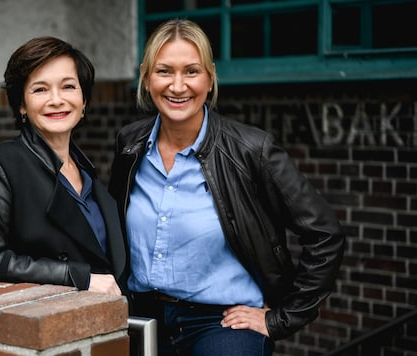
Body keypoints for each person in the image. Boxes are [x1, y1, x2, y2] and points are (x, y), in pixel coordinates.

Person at [108, 19, 345, 355]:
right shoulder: (130, 144)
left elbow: (325, 234)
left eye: (191, 71)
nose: (177, 86)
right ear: (146, 77)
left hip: (222, 324)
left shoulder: (251, 150)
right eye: (164, 71)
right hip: (142, 316)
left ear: (210, 77)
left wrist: (282, 318)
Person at [0, 36, 127, 296]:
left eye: (68, 87)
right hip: (46, 325)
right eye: (40, 89)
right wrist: (78, 277)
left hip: (106, 319)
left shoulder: (86, 170)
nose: (56, 100)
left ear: (84, 101)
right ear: (21, 105)